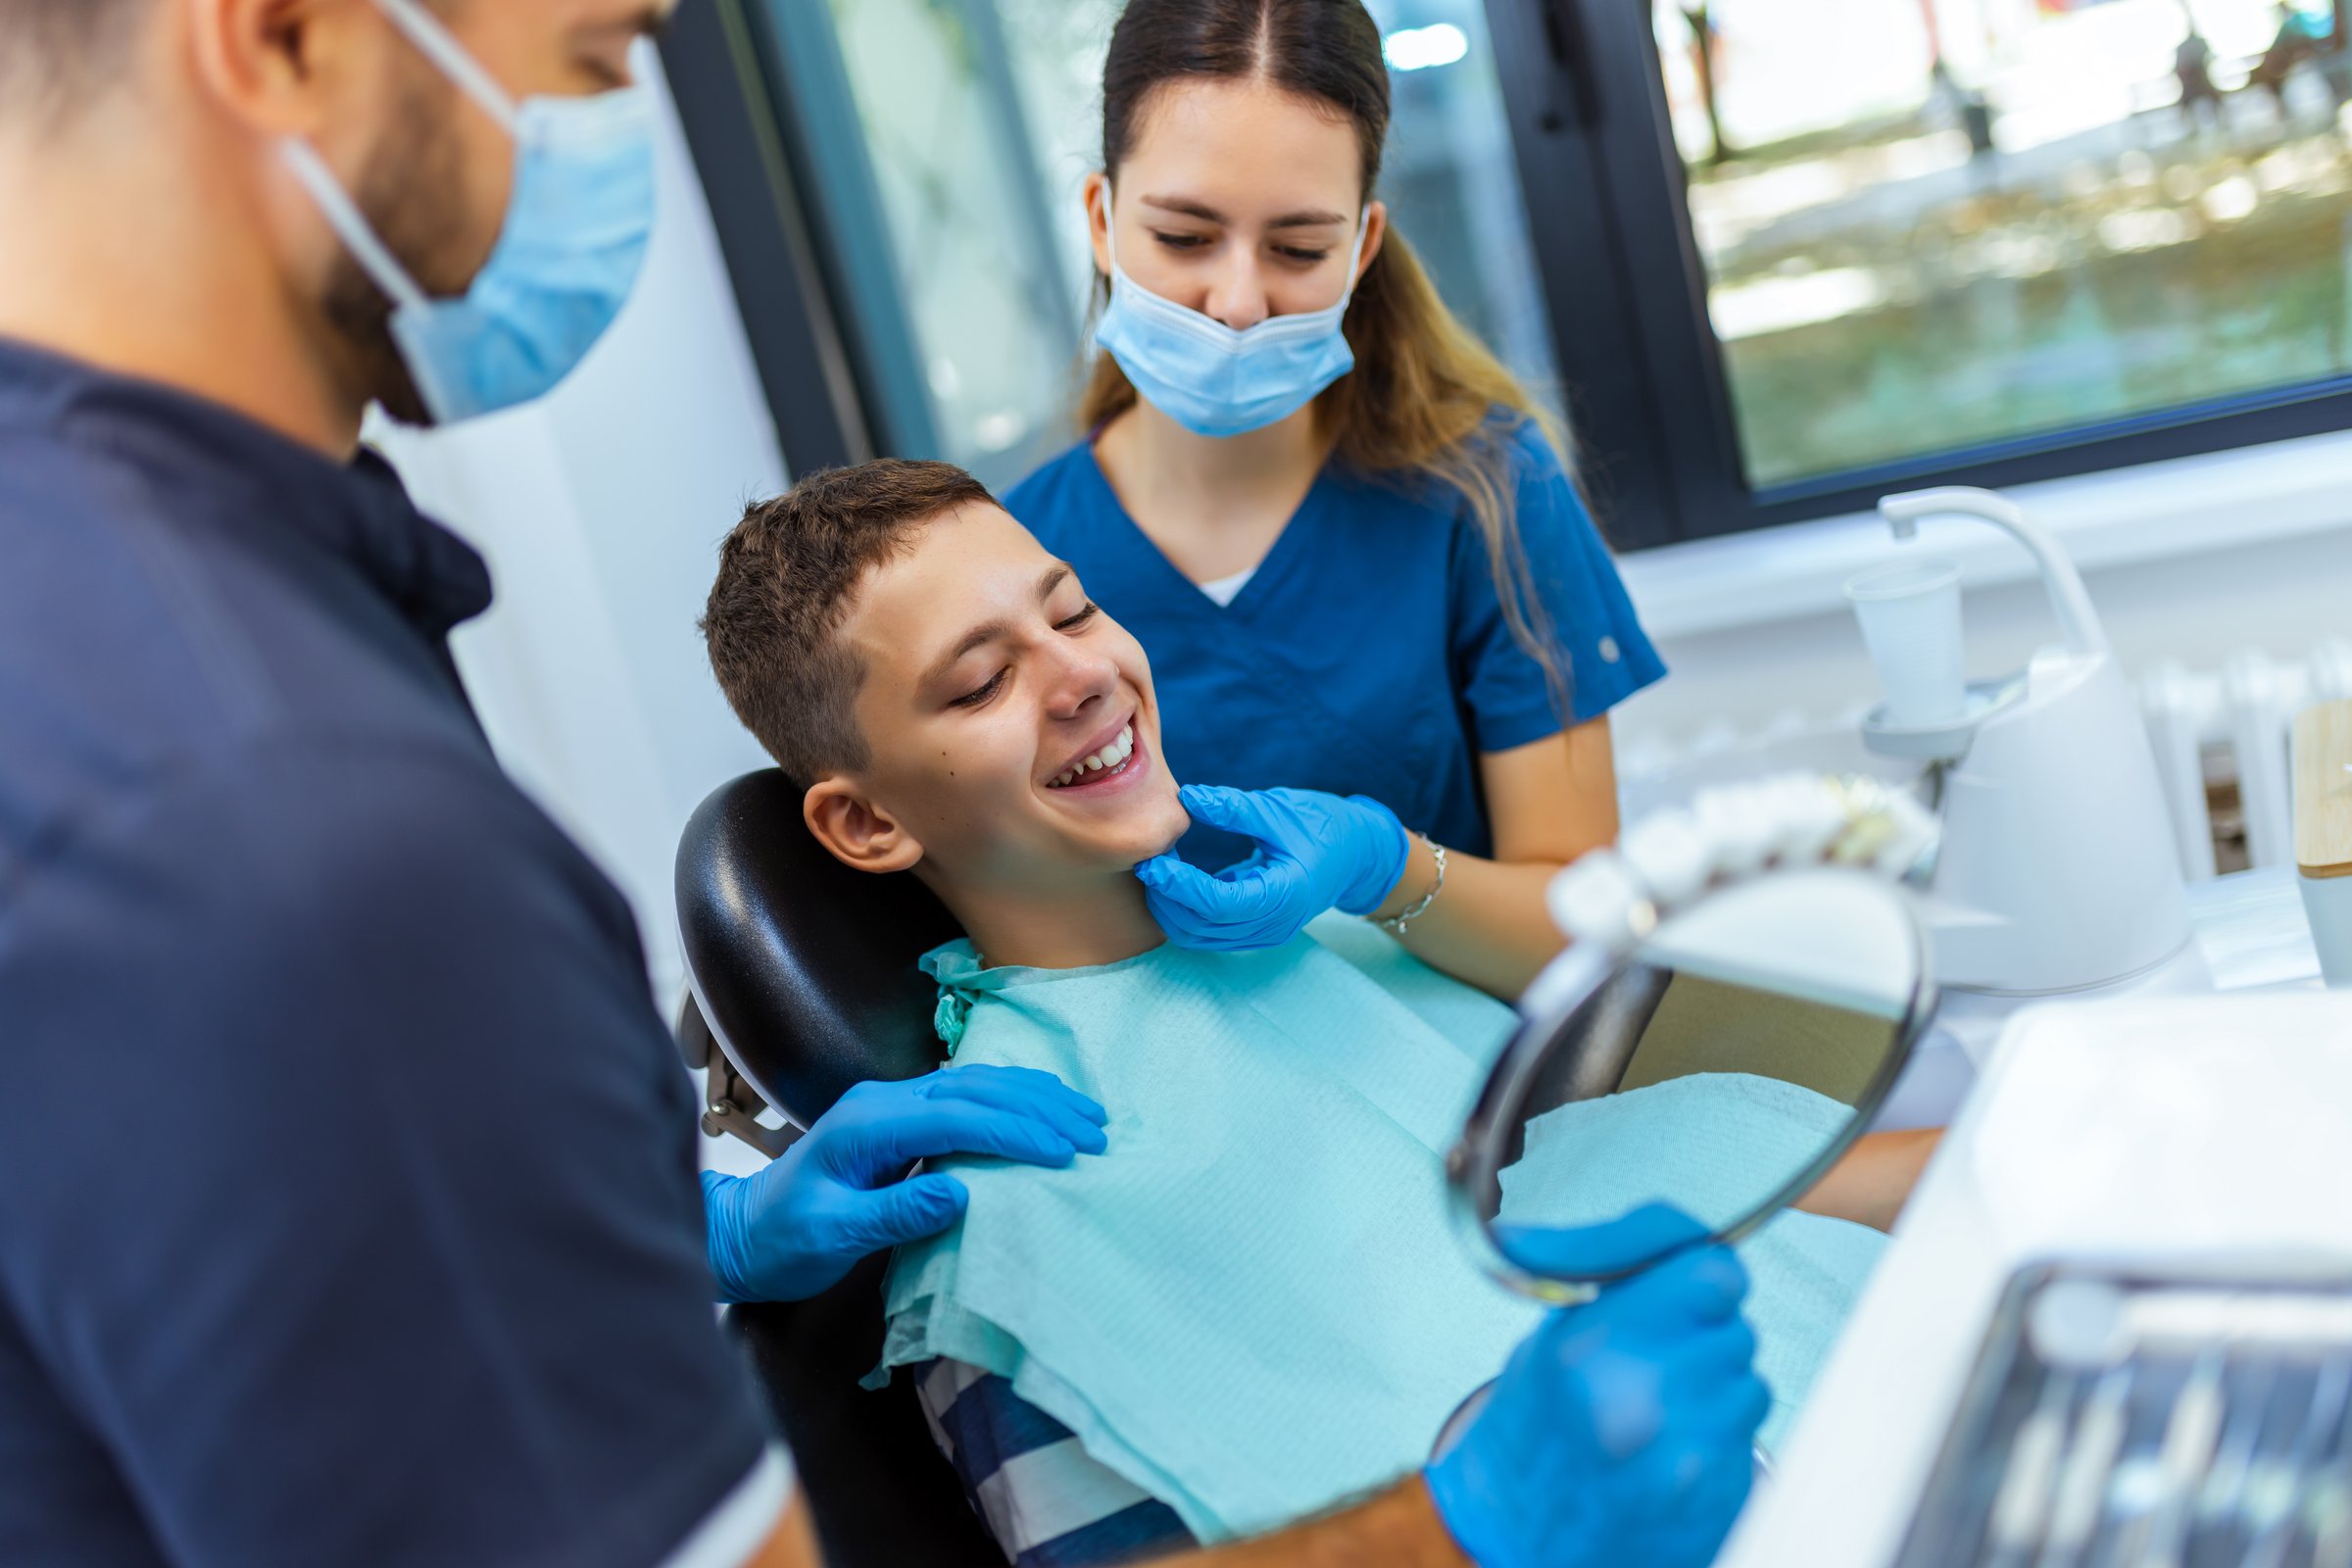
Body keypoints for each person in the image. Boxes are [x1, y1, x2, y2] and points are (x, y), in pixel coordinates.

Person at [0, 3, 1759, 1566]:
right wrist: (1469, 1531)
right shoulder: (265, 812)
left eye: (1073, 616)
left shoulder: (176, 620)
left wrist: (702, 1227)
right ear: (281, 35)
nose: (1080, 664)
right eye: (596, 60)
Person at [700, 459, 1894, 1567]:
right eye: (980, 681)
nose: (1081, 675)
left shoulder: (1318, 946)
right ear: (868, 824)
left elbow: (1656, 1173)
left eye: (1070, 613)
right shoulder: (1004, 1231)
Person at [1004, 0, 1666, 998]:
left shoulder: (1484, 496)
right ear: (1101, 220)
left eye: (1299, 249)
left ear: (1361, 248)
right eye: (1185, 236)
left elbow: (1583, 934)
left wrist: (1386, 867)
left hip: (1488, 1097)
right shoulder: (1013, 561)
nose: (1236, 302)